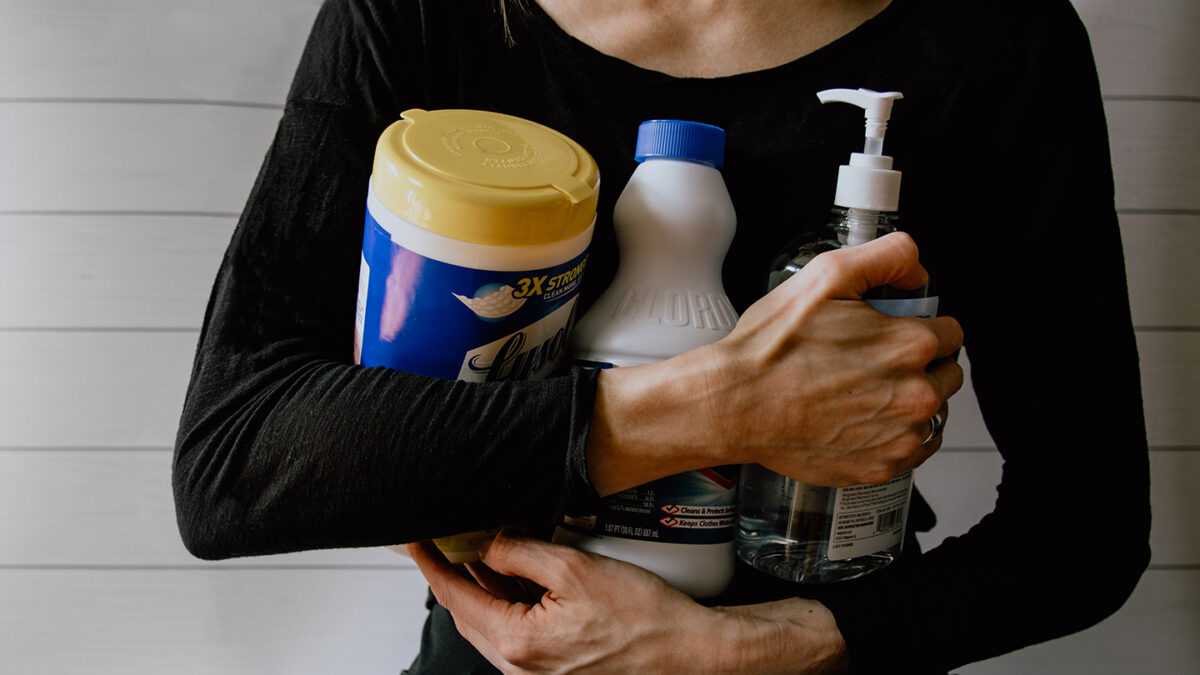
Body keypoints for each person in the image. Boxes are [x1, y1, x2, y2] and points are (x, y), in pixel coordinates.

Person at [172, 0, 1150, 673]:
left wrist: (757, 651)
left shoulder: (995, 37)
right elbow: (240, 462)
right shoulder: (436, 15)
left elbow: (1086, 534)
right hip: (515, 655)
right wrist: (719, 408)